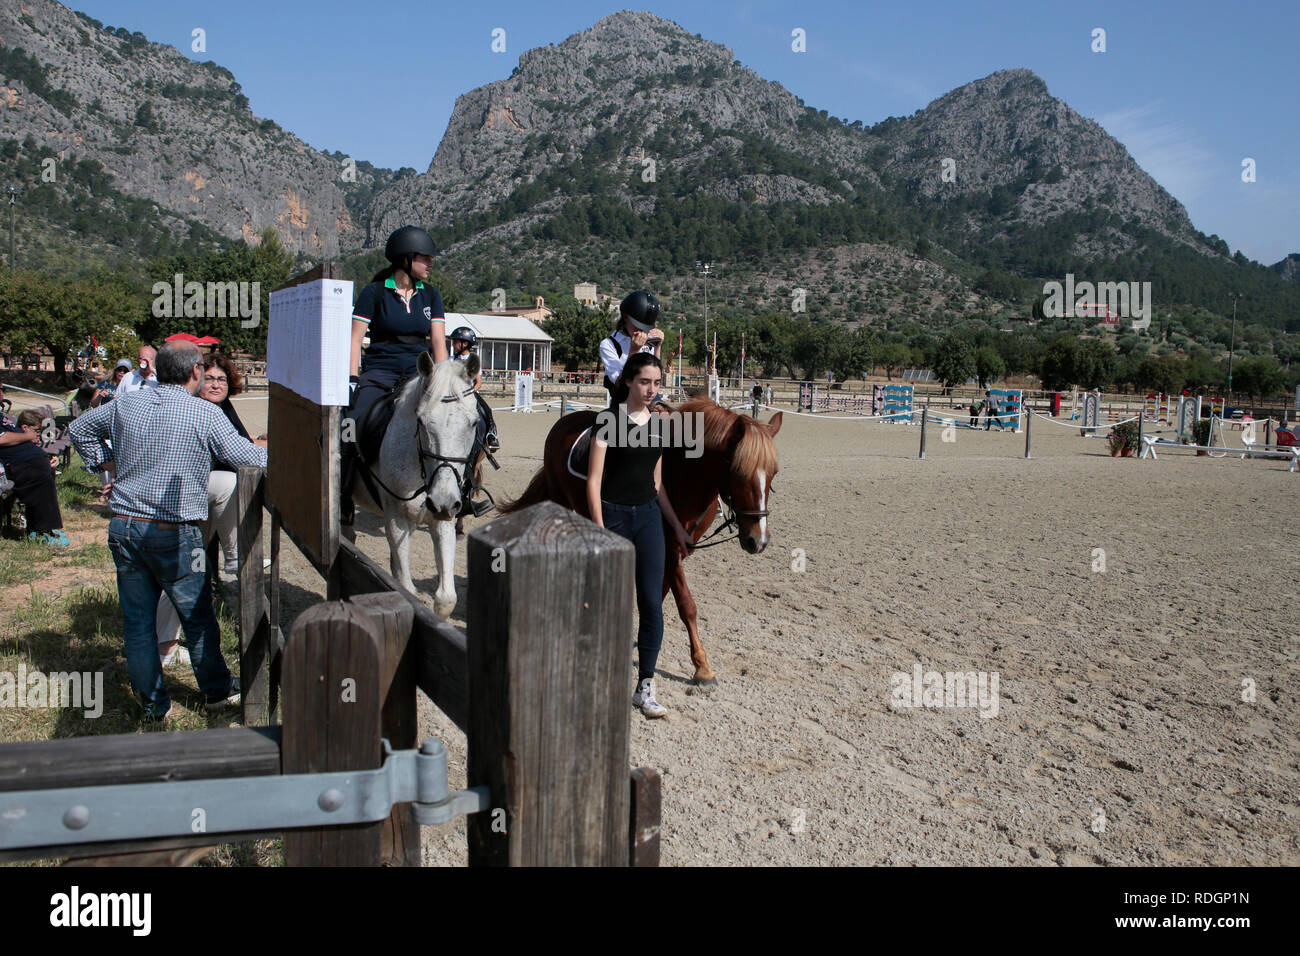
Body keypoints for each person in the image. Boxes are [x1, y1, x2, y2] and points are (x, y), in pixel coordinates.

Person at [69, 341, 267, 722]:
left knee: (138, 621)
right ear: (195, 372)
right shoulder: (204, 414)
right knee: (197, 615)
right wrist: (288, 458)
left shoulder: (127, 403)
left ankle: (152, 704)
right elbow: (247, 456)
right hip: (174, 533)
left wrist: (104, 463)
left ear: (159, 370)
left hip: (125, 528)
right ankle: (215, 690)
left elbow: (79, 428)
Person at [587, 353, 693, 719]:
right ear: (629, 381)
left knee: (651, 604)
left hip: (648, 519)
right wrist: (599, 530)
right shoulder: (608, 421)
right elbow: (594, 481)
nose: (652, 389)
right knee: (610, 606)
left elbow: (657, 484)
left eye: (657, 383)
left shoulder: (660, 426)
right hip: (613, 517)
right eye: (645, 381)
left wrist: (677, 528)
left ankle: (644, 687)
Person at [343, 225, 450, 522]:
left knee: (459, 420)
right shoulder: (373, 292)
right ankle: (342, 495)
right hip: (380, 372)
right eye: (425, 258)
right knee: (349, 423)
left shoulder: (431, 294)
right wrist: (353, 380)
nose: (431, 263)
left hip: (420, 374)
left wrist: (444, 380)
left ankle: (463, 493)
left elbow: (439, 342)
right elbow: (354, 339)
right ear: (406, 259)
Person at [0, 409, 68, 547]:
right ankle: (43, 531)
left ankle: (37, 530)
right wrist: (28, 437)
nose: (2, 394)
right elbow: (2, 438)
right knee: (38, 480)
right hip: (17, 465)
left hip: (29, 462)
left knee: (43, 478)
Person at [600, 291, 663, 408]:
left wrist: (658, 347)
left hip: (650, 395)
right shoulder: (608, 344)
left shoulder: (648, 341)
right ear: (625, 317)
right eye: (637, 326)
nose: (641, 331)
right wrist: (633, 350)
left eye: (645, 328)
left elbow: (656, 372)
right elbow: (620, 382)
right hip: (624, 398)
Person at [448, 326, 500, 453]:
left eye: (456, 341)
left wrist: (469, 392)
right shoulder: (451, 359)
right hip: (453, 394)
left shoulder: (473, 360)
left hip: (470, 393)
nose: (454, 344)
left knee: (487, 410)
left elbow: (478, 383)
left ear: (465, 344)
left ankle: (491, 435)